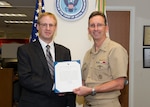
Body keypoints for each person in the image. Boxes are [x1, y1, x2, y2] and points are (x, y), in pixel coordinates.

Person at [17, 12, 76, 107]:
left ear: (55, 28)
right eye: (44, 25)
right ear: (37, 26)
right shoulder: (25, 50)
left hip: (59, 103)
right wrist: (53, 87)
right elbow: (25, 78)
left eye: (51, 25)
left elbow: (67, 78)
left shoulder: (64, 51)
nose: (48, 28)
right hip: (34, 104)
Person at [73, 11, 128, 107]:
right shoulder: (88, 54)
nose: (95, 28)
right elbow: (84, 81)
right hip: (87, 103)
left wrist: (92, 90)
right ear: (88, 30)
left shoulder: (115, 49)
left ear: (106, 28)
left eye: (99, 25)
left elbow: (120, 83)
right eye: (92, 25)